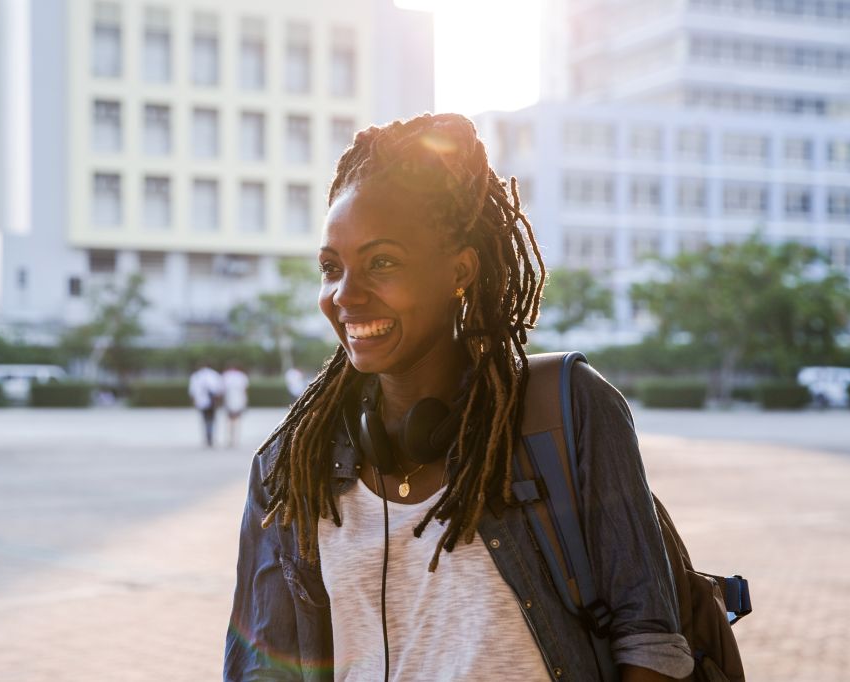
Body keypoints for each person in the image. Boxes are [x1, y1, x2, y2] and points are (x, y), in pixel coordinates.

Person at [225, 114, 693, 681]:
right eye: (331, 267)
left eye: (382, 262)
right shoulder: (288, 469)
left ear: (461, 269)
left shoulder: (568, 414)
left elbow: (652, 649)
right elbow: (261, 670)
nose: (344, 294)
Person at [188, 364, 223, 448]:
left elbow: (192, 391)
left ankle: (208, 437)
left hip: (202, 402)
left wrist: (194, 401)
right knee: (211, 420)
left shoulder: (196, 376)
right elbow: (219, 389)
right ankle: (210, 437)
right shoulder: (214, 375)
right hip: (211, 402)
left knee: (205, 420)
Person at [222, 364, 250, 448]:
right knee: (237, 420)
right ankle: (235, 439)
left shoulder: (226, 376)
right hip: (238, 400)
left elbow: (222, 390)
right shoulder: (242, 376)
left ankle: (231, 439)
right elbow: (245, 389)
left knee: (230, 421)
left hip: (229, 400)